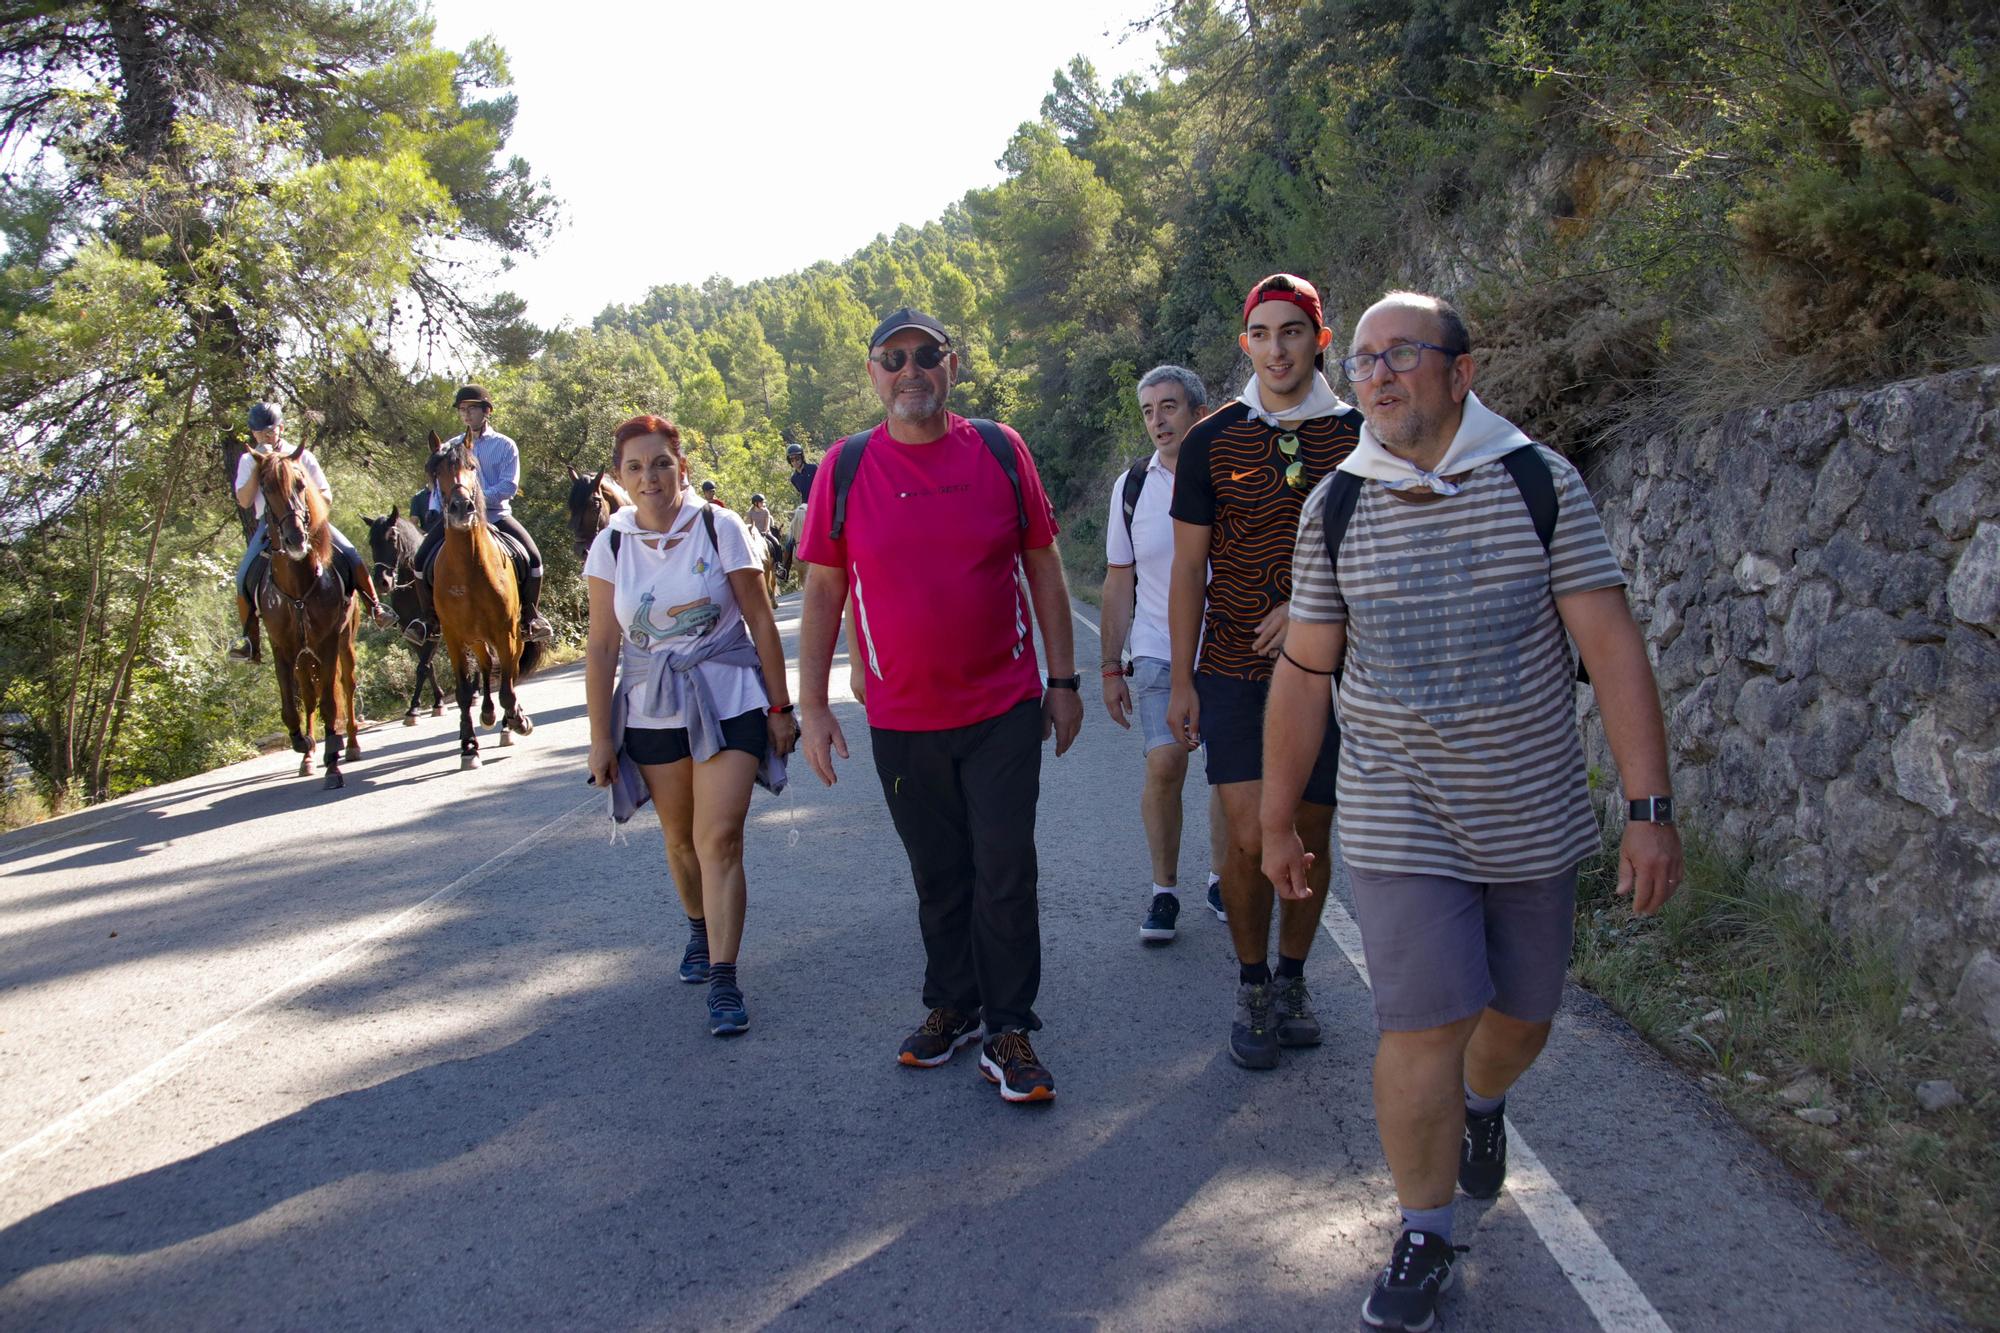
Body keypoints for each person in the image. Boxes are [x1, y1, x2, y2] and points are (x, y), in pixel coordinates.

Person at [1262, 291, 1682, 1331]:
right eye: (1361, 361)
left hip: (1529, 807)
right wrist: (1276, 817)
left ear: (1460, 367)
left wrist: (1647, 807)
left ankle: (1483, 1106)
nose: (1378, 375)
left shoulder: (1538, 483)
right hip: (1398, 809)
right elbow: (1306, 675)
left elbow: (1610, 646)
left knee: (1518, 1019)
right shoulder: (1337, 506)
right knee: (1422, 1023)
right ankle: (1422, 1228)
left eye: (1401, 353)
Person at [795, 306, 1081, 1105]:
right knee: (939, 872)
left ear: (952, 366)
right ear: (873, 373)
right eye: (894, 357)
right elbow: (823, 587)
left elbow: (1044, 564)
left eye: (928, 355)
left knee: (1003, 866)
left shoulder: (998, 447)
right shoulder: (844, 468)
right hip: (900, 717)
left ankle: (1010, 1026)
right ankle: (952, 1006)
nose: (911, 369)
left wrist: (1064, 682)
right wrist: (812, 705)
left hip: (1002, 705)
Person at [1165, 274, 1359, 1069]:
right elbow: (1186, 571)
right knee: (1250, 835)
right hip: (1235, 668)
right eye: (1261, 333)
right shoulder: (1211, 439)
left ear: (1320, 339)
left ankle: (1291, 978)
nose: (1276, 348)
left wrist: (1322, 613)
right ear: (1245, 343)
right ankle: (1249, 980)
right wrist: (1181, 679)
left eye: (1292, 331)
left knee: (1309, 830)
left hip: (1337, 669)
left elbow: (1385, 551)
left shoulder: (1362, 435)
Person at [584, 414, 797, 1037]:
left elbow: (760, 620)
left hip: (729, 697)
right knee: (679, 839)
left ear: (681, 465)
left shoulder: (719, 525)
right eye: (634, 467)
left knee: (719, 837)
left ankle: (725, 979)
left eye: (660, 463)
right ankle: (699, 931)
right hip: (651, 706)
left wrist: (781, 709)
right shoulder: (612, 543)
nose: (649, 477)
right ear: (619, 477)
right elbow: (600, 647)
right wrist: (602, 737)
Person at [1100, 365, 1229, 943]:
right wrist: (1109, 666)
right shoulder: (1133, 487)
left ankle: (1223, 879)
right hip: (1154, 649)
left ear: (1198, 413)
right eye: (1149, 411)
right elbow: (1117, 578)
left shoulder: (1234, 476)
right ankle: (1164, 891)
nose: (1158, 420)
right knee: (1164, 765)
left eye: (1169, 407)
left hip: (1230, 651)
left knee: (1230, 779)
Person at [229, 401, 391, 662]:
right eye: (259, 433)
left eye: (270, 431)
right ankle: (249, 641)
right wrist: (261, 466)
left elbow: (326, 495)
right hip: (269, 526)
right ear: (253, 434)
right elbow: (245, 501)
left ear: (280, 428)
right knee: (242, 576)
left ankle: (376, 607)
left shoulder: (300, 455)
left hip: (309, 522)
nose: (265, 436)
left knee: (351, 555)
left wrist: (310, 517)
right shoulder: (250, 459)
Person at [406, 385, 552, 646]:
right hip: (456, 520)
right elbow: (440, 486)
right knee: (419, 562)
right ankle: (429, 620)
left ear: (487, 411)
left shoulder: (505, 445)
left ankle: (530, 616)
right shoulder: (450, 447)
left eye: (471, 408)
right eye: (462, 410)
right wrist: (435, 510)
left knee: (533, 558)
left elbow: (509, 486)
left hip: (496, 516)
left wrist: (477, 499)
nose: (466, 414)